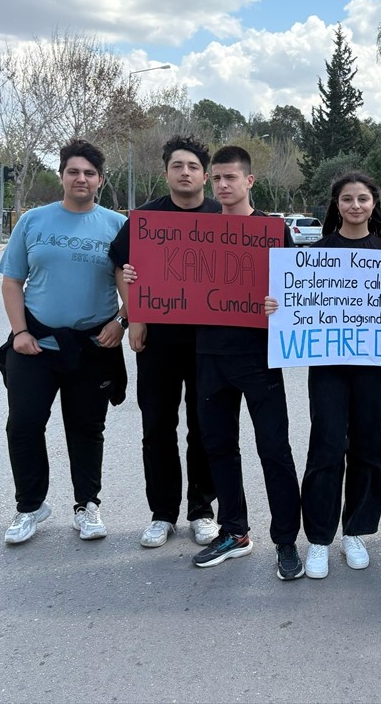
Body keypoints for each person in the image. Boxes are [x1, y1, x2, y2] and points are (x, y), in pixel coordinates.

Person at [0, 139, 128, 545]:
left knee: (87, 428)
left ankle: (87, 505)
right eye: (73, 171)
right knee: (24, 425)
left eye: (89, 173)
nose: (81, 178)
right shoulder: (34, 221)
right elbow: (12, 281)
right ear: (62, 176)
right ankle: (30, 507)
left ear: (100, 181)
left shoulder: (116, 225)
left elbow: (131, 280)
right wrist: (20, 332)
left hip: (93, 347)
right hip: (35, 345)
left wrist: (123, 322)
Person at [189, 146, 305, 579]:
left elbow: (298, 292)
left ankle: (287, 541)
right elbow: (171, 276)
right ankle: (234, 531)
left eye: (230, 178)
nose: (221, 185)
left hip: (259, 358)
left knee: (274, 451)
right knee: (218, 447)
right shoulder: (195, 231)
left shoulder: (274, 231)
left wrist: (283, 303)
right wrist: (138, 279)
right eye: (216, 178)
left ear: (249, 181)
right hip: (208, 357)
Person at [110, 136, 219, 549]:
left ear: (204, 175)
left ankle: (202, 509)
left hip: (211, 343)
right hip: (157, 340)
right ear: (166, 173)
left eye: (192, 165)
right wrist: (134, 316)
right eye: (177, 166)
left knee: (205, 427)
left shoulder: (224, 217)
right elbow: (122, 267)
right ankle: (162, 513)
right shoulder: (144, 219)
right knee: (157, 426)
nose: (185, 172)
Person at [287, 172, 381, 579]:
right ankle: (318, 538)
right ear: (337, 205)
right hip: (328, 367)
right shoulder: (316, 253)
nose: (355, 205)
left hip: (375, 367)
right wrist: (277, 307)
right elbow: (296, 301)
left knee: (368, 446)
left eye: (362, 199)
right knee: (327, 446)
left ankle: (356, 531)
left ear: (372, 204)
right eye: (347, 199)